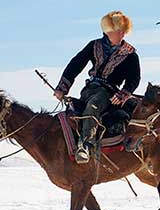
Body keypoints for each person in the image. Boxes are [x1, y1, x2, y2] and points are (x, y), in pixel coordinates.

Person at [54, 11, 140, 163]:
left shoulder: (131, 54)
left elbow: (134, 79)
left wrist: (122, 94)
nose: (121, 34)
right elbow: (76, 64)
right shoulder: (94, 45)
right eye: (117, 31)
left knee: (93, 107)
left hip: (109, 93)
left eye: (122, 31)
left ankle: (85, 145)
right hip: (89, 89)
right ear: (107, 32)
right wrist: (62, 87)